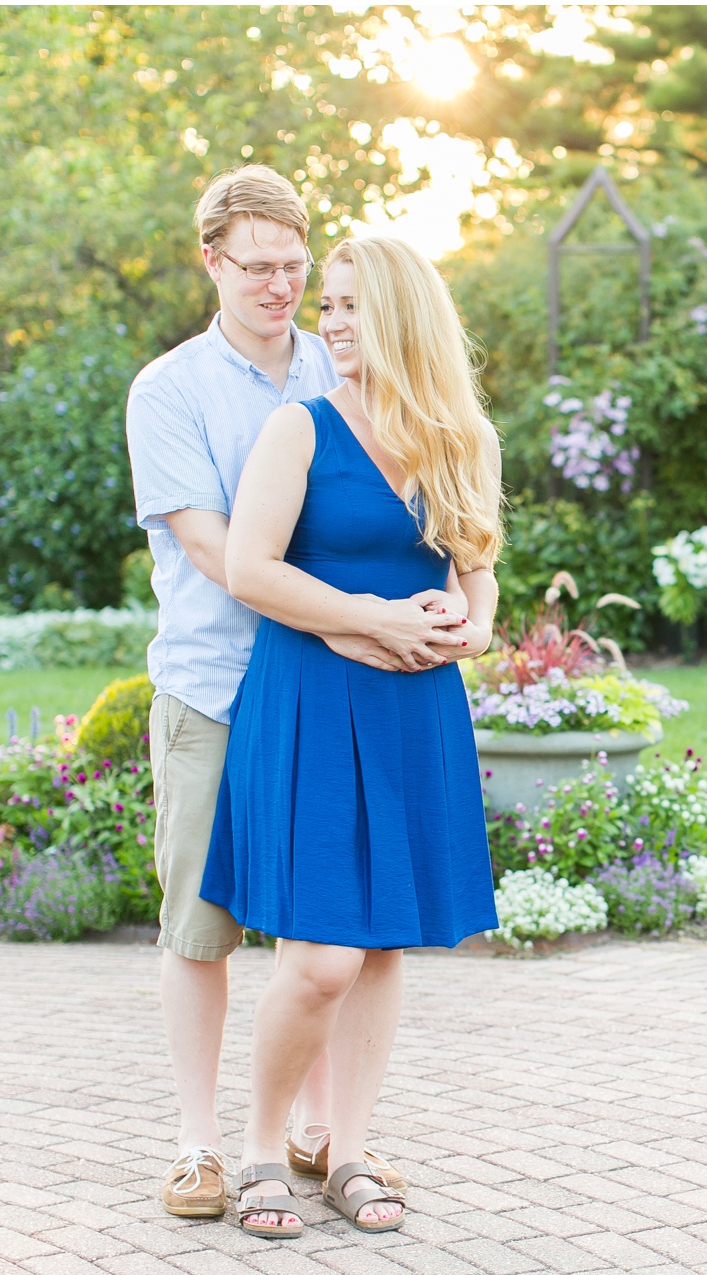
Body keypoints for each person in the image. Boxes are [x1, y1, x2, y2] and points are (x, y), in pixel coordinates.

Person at [125, 167, 467, 1220]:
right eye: (258, 268)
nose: (282, 288)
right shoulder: (170, 390)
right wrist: (369, 624)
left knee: (334, 929)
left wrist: (447, 609)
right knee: (206, 924)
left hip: (336, 696)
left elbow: (437, 512)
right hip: (216, 690)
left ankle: (324, 1134)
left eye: (294, 268)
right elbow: (225, 553)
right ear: (212, 262)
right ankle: (199, 1146)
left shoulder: (346, 357)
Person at [202, 233, 504, 1237]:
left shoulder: (460, 438)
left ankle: (345, 1148)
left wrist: (474, 626)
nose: (324, 322)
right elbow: (248, 568)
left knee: (381, 949)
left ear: (400, 317)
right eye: (324, 305)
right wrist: (371, 619)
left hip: (414, 709)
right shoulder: (300, 428)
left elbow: (479, 568)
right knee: (323, 952)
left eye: (345, 306)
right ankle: (256, 1147)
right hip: (311, 701)